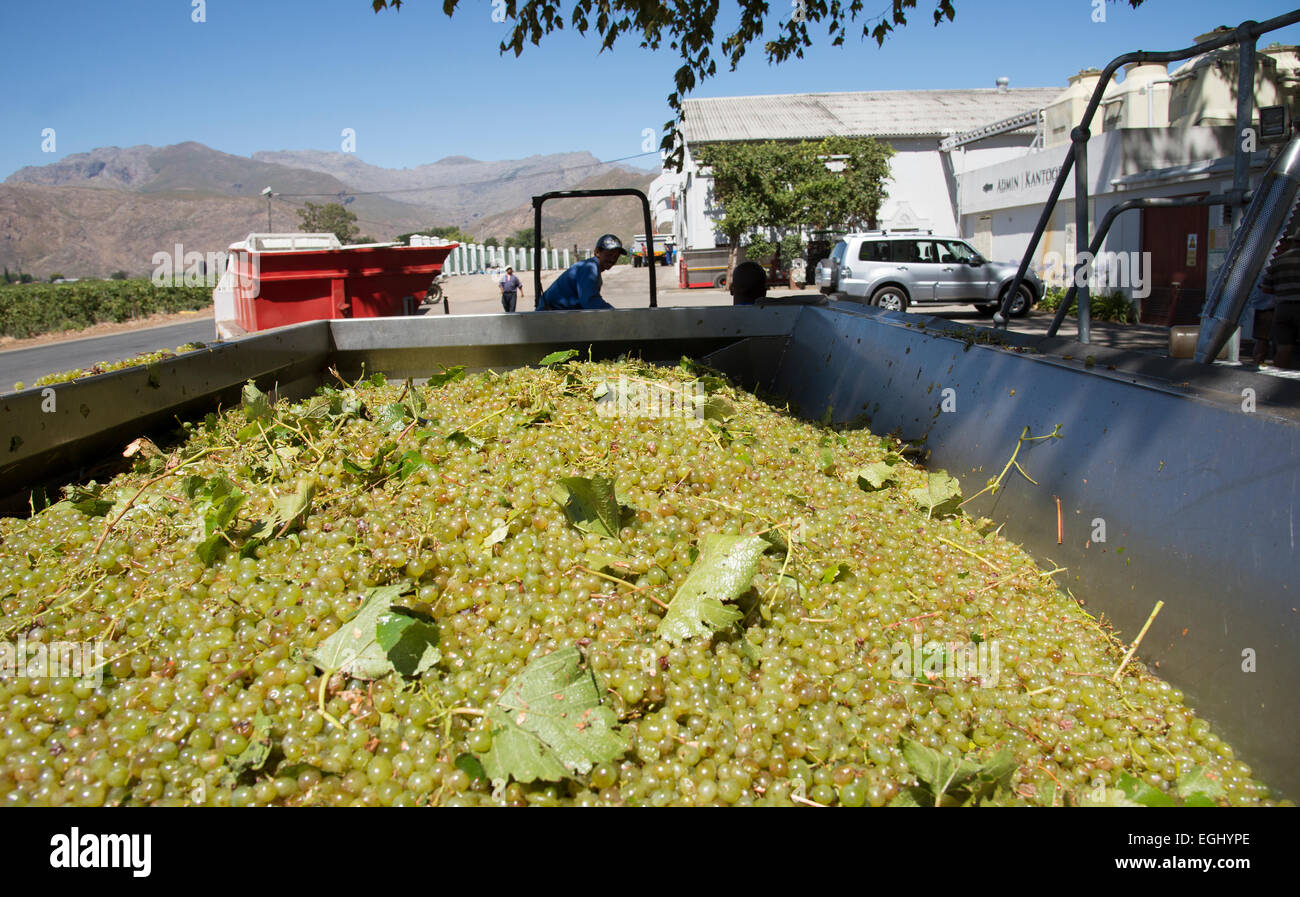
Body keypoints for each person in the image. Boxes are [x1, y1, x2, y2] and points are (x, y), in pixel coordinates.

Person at [536, 234, 625, 310]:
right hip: (548, 316)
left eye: (616, 256)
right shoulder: (589, 269)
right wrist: (616, 314)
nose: (613, 259)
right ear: (597, 252)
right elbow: (591, 303)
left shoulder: (592, 267)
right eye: (609, 254)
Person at [1259, 229, 1300, 368]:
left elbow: (1266, 288)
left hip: (1282, 308)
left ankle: (1279, 375)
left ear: (1294, 241)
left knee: (1284, 347)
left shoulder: (1278, 260)